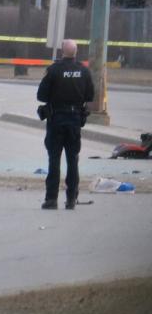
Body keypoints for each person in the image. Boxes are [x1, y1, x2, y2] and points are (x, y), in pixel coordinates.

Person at [36, 39, 94, 210]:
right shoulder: (84, 71)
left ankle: (51, 199)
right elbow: (90, 95)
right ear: (75, 53)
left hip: (56, 120)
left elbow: (41, 96)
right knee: (72, 160)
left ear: (63, 52)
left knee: (54, 160)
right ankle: (71, 199)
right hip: (75, 120)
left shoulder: (54, 70)